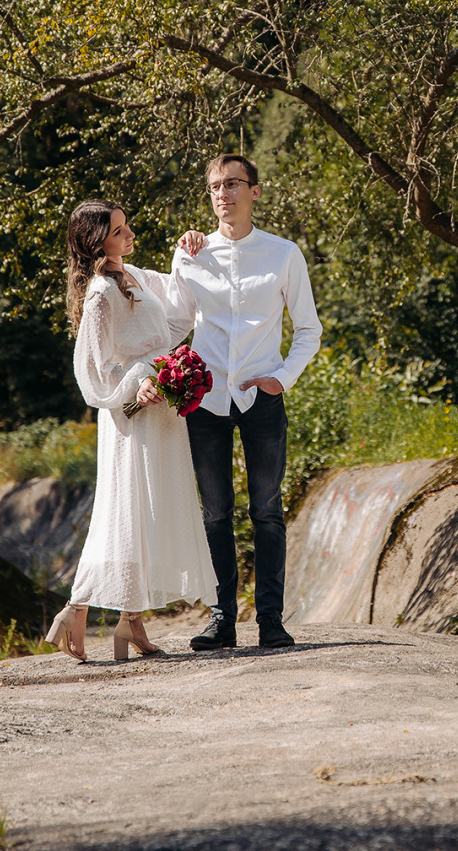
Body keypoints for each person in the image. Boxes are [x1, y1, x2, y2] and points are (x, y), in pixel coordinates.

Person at [44, 200, 218, 661]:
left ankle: (129, 622)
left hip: (161, 412)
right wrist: (136, 383)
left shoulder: (135, 275)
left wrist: (189, 250)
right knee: (125, 511)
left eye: (126, 226)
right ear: (96, 242)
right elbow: (93, 368)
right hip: (133, 415)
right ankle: (77, 608)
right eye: (119, 231)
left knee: (147, 513)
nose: (130, 235)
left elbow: (177, 316)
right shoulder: (101, 292)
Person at [173, 155, 321, 650]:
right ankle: (222, 621)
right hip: (206, 400)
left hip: (262, 397)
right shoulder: (191, 254)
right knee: (215, 512)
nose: (223, 194)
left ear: (254, 192)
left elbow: (308, 330)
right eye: (215, 186)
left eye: (233, 184)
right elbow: (174, 324)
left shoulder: (283, 254)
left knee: (266, 510)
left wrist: (283, 378)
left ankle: (271, 621)